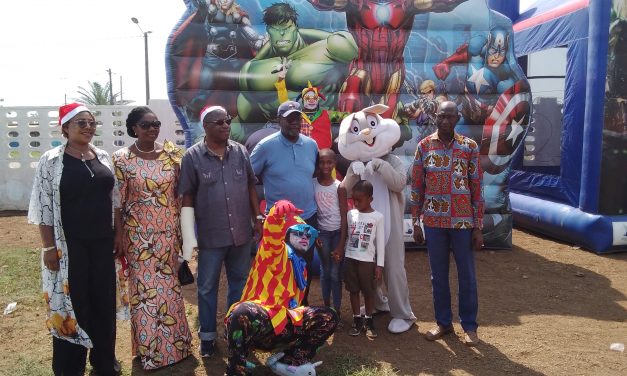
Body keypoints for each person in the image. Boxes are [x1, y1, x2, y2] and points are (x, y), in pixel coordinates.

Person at [28, 102, 124, 376]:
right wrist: (48, 247)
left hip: (103, 245)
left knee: (103, 303)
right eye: (81, 122)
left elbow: (115, 199)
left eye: (92, 122)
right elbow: (42, 205)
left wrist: (118, 233)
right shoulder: (51, 160)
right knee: (73, 305)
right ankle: (70, 367)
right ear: (66, 128)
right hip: (69, 247)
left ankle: (104, 363)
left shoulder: (103, 156)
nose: (88, 127)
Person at [178, 105, 262, 358]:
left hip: (241, 235)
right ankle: (207, 338)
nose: (225, 125)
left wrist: (256, 217)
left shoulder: (240, 152)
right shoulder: (192, 157)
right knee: (206, 288)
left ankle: (234, 332)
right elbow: (188, 196)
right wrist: (187, 235)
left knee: (239, 284)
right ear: (205, 127)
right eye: (219, 122)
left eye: (227, 121)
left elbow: (250, 186)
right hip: (211, 237)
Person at [112, 107, 192, 369]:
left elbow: (181, 197)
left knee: (169, 290)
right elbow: (118, 203)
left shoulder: (172, 155)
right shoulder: (122, 159)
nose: (153, 128)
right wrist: (120, 236)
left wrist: (185, 235)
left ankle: (177, 348)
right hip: (138, 237)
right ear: (134, 128)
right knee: (145, 293)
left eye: (156, 123)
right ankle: (150, 353)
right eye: (146, 125)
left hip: (168, 234)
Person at [225, 200, 338, 376]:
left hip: (284, 323)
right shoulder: (274, 252)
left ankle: (288, 362)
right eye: (299, 232)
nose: (305, 237)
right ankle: (237, 369)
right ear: (285, 234)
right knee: (241, 311)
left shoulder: (302, 267)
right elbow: (271, 236)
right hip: (260, 321)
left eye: (309, 235)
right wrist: (277, 213)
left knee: (328, 316)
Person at [410, 100, 484, 346]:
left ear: (457, 118)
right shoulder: (424, 147)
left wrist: (478, 226)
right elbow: (417, 186)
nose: (445, 121)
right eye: (441, 116)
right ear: (435, 117)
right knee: (438, 276)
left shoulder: (469, 147)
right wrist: (416, 222)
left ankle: (469, 327)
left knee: (467, 275)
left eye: (450, 117)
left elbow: (476, 189)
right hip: (433, 221)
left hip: (462, 222)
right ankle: (443, 323)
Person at [230, 2, 358, 142]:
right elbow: (247, 114)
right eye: (275, 29)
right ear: (268, 30)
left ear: (295, 27)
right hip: (276, 133)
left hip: (320, 130)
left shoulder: (327, 49)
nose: (282, 33)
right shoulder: (252, 69)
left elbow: (348, 47)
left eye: (287, 27)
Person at [338, 104, 416, 334]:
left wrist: (380, 165)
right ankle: (380, 302)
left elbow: (399, 183)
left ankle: (403, 313)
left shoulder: (392, 161)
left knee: (393, 269)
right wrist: (353, 171)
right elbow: (344, 190)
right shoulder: (357, 164)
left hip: (389, 224)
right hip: (364, 227)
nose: (366, 134)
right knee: (368, 266)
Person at [250, 100, 319, 305]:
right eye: (289, 119)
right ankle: (281, 314)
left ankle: (301, 312)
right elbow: (247, 179)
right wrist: (256, 215)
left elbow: (312, 175)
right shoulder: (265, 146)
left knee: (304, 268)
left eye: (297, 118)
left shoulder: (311, 145)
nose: (294, 122)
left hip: (307, 219)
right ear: (279, 120)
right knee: (280, 269)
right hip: (279, 223)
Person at [344, 180, 385, 338]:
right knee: (353, 291)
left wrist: (379, 265)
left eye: (359, 200)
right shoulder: (350, 214)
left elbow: (380, 243)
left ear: (370, 199)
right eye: (354, 199)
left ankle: (369, 321)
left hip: (367, 262)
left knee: (369, 292)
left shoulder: (377, 217)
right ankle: (356, 320)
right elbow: (349, 236)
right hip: (351, 258)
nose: (356, 203)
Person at [313, 148, 348, 316]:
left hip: (337, 234)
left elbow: (344, 214)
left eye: (329, 162)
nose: (325, 165)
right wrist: (315, 234)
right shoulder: (312, 184)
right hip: (322, 234)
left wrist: (341, 244)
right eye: (321, 162)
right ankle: (327, 308)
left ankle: (337, 310)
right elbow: (311, 212)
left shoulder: (339, 187)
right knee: (324, 271)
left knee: (335, 274)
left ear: (334, 164)